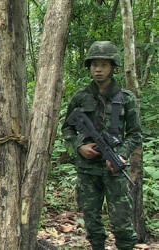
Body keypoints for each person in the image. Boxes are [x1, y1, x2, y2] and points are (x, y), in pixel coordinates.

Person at [61, 41, 142, 250]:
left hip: (114, 170)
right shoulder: (81, 97)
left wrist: (121, 155)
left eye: (103, 65)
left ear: (113, 67)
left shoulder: (126, 99)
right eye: (94, 65)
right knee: (92, 224)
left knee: (122, 225)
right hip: (88, 171)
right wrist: (80, 146)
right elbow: (67, 128)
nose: (98, 69)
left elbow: (135, 135)